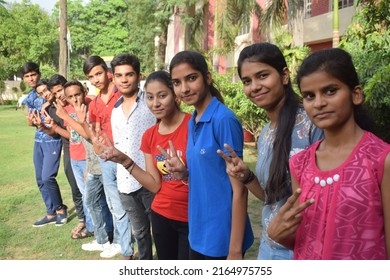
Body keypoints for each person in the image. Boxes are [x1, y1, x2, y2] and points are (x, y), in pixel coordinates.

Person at [267, 48, 390, 260]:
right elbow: (304, 237)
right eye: (309, 96)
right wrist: (277, 234)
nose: (319, 103)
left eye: (330, 91)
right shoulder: (300, 163)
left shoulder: (381, 159)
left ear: (356, 94)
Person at [217, 43, 323, 260]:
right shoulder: (265, 132)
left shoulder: (312, 125)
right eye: (247, 81)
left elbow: (323, 204)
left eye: (262, 75)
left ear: (284, 76)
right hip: (268, 248)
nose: (254, 86)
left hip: (303, 251)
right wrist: (246, 176)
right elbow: (270, 198)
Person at [162, 50, 253, 260]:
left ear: (207, 77)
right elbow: (210, 174)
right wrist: (184, 173)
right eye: (177, 82)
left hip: (223, 237)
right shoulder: (193, 119)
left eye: (191, 78)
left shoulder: (223, 120)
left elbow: (240, 190)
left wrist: (235, 250)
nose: (184, 88)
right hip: (199, 232)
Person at [99, 70, 191, 259]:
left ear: (175, 95)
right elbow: (154, 184)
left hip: (191, 215)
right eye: (149, 97)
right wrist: (125, 161)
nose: (155, 103)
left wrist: (186, 174)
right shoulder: (150, 135)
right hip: (162, 215)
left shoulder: (193, 126)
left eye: (162, 96)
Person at [104, 53, 156, 260]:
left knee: (162, 231)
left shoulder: (151, 103)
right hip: (125, 182)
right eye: (119, 75)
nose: (124, 80)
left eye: (129, 74)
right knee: (141, 233)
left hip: (151, 180)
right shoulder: (115, 110)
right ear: (113, 78)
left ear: (139, 76)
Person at [83, 55, 133, 259]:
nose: (96, 79)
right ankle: (122, 245)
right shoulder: (94, 103)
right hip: (106, 160)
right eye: (91, 76)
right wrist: (98, 148)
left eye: (98, 73)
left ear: (107, 72)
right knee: (114, 204)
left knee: (129, 202)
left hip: (125, 156)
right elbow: (95, 130)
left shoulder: (122, 93)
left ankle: (126, 243)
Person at [58, 81, 113, 249]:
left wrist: (66, 117)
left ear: (84, 92)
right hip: (92, 163)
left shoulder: (91, 109)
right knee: (90, 201)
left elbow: (89, 135)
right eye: (71, 96)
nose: (75, 99)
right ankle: (102, 239)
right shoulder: (75, 110)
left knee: (109, 203)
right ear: (66, 98)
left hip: (103, 161)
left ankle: (115, 240)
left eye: (78, 94)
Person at [45, 74, 88, 238]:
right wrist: (48, 126)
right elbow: (62, 133)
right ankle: (83, 220)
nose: (59, 95)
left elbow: (80, 132)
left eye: (60, 90)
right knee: (76, 188)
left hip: (85, 151)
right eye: (54, 93)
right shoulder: (54, 109)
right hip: (70, 151)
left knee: (89, 191)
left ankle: (92, 224)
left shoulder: (82, 104)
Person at [25, 76, 67, 227]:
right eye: (41, 93)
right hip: (39, 140)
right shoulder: (34, 99)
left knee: (47, 177)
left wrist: (47, 104)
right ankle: (51, 213)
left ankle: (61, 210)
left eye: (46, 91)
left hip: (53, 141)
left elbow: (56, 130)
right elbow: (29, 122)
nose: (45, 94)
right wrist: (34, 121)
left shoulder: (57, 102)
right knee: (40, 179)